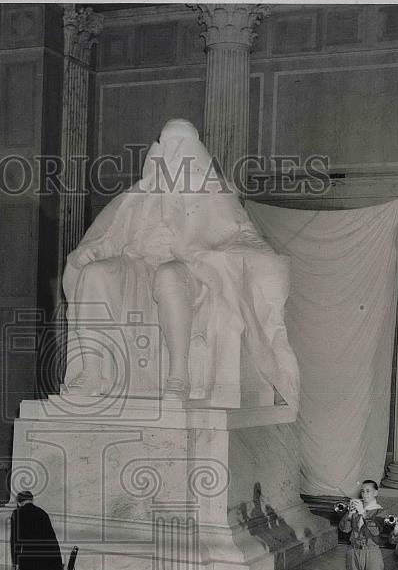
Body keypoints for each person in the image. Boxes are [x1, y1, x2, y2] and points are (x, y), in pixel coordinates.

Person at [62, 118, 298, 406]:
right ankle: (92, 372)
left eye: (179, 144)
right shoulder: (135, 197)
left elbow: (246, 240)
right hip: (137, 266)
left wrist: (199, 251)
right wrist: (87, 255)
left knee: (169, 276)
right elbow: (107, 238)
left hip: (192, 272)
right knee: (95, 274)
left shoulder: (216, 195)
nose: (172, 153)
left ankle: (178, 375)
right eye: (167, 144)